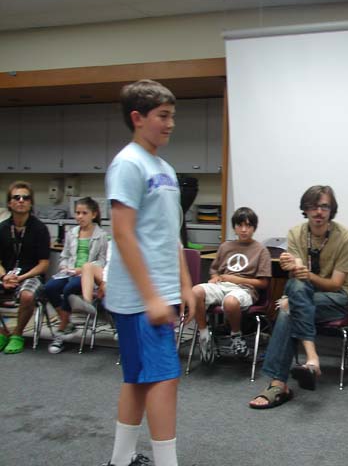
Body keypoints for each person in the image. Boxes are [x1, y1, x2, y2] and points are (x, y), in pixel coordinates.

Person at [101, 79, 196, 466]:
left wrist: (185, 284)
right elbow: (123, 234)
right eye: (163, 116)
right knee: (163, 379)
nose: (171, 123)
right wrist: (152, 297)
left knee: (139, 378)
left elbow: (170, 235)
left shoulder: (165, 168)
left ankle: (121, 459)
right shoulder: (128, 163)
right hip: (140, 298)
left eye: (173, 116)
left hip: (160, 292)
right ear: (138, 118)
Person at [249, 185, 348, 409]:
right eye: (313, 206)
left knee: (290, 307)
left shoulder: (347, 239)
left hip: (337, 297)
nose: (318, 212)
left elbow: (336, 285)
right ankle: (311, 359)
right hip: (304, 295)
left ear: (331, 210)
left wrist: (305, 275)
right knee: (293, 300)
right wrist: (294, 267)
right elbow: (297, 274)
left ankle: (278, 384)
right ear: (305, 209)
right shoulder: (296, 233)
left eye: (324, 207)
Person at [192, 206, 271, 361]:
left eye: (248, 225)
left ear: (254, 228)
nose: (244, 229)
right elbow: (214, 270)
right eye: (239, 225)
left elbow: (263, 283)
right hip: (222, 286)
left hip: (245, 289)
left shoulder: (261, 250)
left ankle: (236, 336)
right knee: (195, 291)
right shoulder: (225, 247)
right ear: (234, 227)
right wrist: (215, 277)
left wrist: (237, 280)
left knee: (230, 302)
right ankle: (204, 336)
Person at [44, 197, 108, 354]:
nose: (80, 216)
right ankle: (67, 322)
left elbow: (102, 261)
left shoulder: (101, 235)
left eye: (84, 213)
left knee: (70, 288)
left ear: (93, 214)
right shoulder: (71, 233)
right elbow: (64, 256)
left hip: (87, 275)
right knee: (50, 287)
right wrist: (64, 266)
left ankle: (61, 330)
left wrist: (82, 270)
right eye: (77, 213)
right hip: (69, 272)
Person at [0, 181, 50, 354]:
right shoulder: (2, 229)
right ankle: (2, 332)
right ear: (9, 203)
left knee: (27, 295)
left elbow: (44, 264)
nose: (21, 200)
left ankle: (17, 334)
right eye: (16, 197)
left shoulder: (40, 229)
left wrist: (20, 278)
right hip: (7, 276)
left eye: (25, 198)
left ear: (31, 203)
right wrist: (4, 277)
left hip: (31, 277)